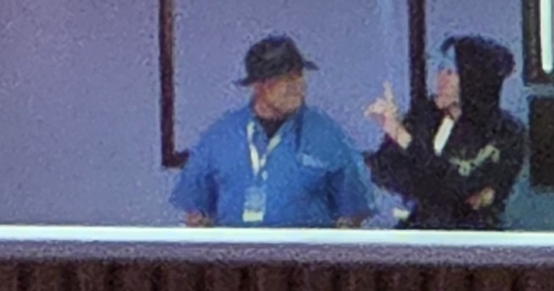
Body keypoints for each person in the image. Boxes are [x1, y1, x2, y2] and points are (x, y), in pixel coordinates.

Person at [170, 35, 378, 228]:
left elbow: (353, 212)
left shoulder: (328, 136)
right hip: (234, 253)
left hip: (306, 254)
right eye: (286, 78)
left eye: (299, 76)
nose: (297, 86)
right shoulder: (220, 137)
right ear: (260, 85)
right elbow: (196, 212)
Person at [366, 34, 527, 229]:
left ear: (474, 80)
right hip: (416, 231)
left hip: (471, 236)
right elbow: (386, 170)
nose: (440, 78)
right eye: (440, 68)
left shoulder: (505, 133)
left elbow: (457, 189)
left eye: (451, 72)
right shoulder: (424, 116)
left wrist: (402, 137)